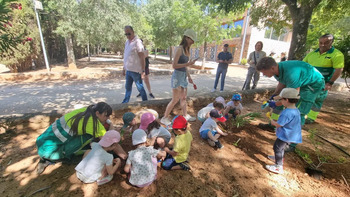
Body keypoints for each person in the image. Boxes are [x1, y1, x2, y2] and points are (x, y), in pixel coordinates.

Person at [36, 102, 127, 174]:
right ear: (97, 113)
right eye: (105, 116)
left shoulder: (86, 110)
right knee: (89, 137)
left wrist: (108, 123)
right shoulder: (93, 124)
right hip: (50, 151)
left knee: (93, 135)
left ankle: (47, 158)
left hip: (42, 142)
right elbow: (109, 140)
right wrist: (125, 156)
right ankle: (59, 156)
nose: (107, 118)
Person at [256, 57, 324, 152]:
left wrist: (276, 103)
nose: (264, 75)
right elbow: (282, 83)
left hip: (312, 85)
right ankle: (273, 125)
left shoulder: (291, 74)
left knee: (297, 112)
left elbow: (293, 97)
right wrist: (274, 96)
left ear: (272, 68)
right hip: (300, 82)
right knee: (280, 101)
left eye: (264, 72)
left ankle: (291, 143)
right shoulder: (277, 70)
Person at [303, 34, 344, 124]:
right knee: (305, 98)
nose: (322, 45)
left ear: (332, 42)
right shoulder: (312, 54)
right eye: (321, 42)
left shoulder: (337, 54)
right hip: (309, 82)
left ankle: (311, 118)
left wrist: (330, 83)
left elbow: (338, 69)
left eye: (326, 42)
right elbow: (303, 65)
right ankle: (301, 115)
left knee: (318, 100)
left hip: (323, 83)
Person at [160, 29, 198, 126]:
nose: (193, 42)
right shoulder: (179, 49)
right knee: (175, 99)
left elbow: (185, 66)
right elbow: (174, 65)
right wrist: (188, 63)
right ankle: (164, 118)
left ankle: (185, 115)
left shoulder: (187, 50)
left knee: (184, 98)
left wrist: (189, 77)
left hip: (183, 76)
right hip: (177, 76)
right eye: (191, 40)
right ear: (186, 37)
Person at [265, 88, 302, 174]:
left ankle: (278, 166)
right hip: (292, 134)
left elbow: (279, 124)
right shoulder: (295, 110)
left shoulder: (287, 112)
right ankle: (278, 158)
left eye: (282, 99)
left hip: (286, 135)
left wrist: (272, 121)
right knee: (281, 148)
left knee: (277, 148)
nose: (281, 101)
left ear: (287, 100)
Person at [122, 26, 148, 103]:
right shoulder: (127, 42)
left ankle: (145, 102)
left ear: (133, 32)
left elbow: (142, 56)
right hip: (128, 70)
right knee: (127, 87)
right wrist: (124, 68)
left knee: (140, 88)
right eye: (126, 34)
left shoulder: (137, 42)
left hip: (136, 71)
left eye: (129, 34)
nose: (127, 36)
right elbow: (126, 56)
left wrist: (143, 71)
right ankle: (125, 102)